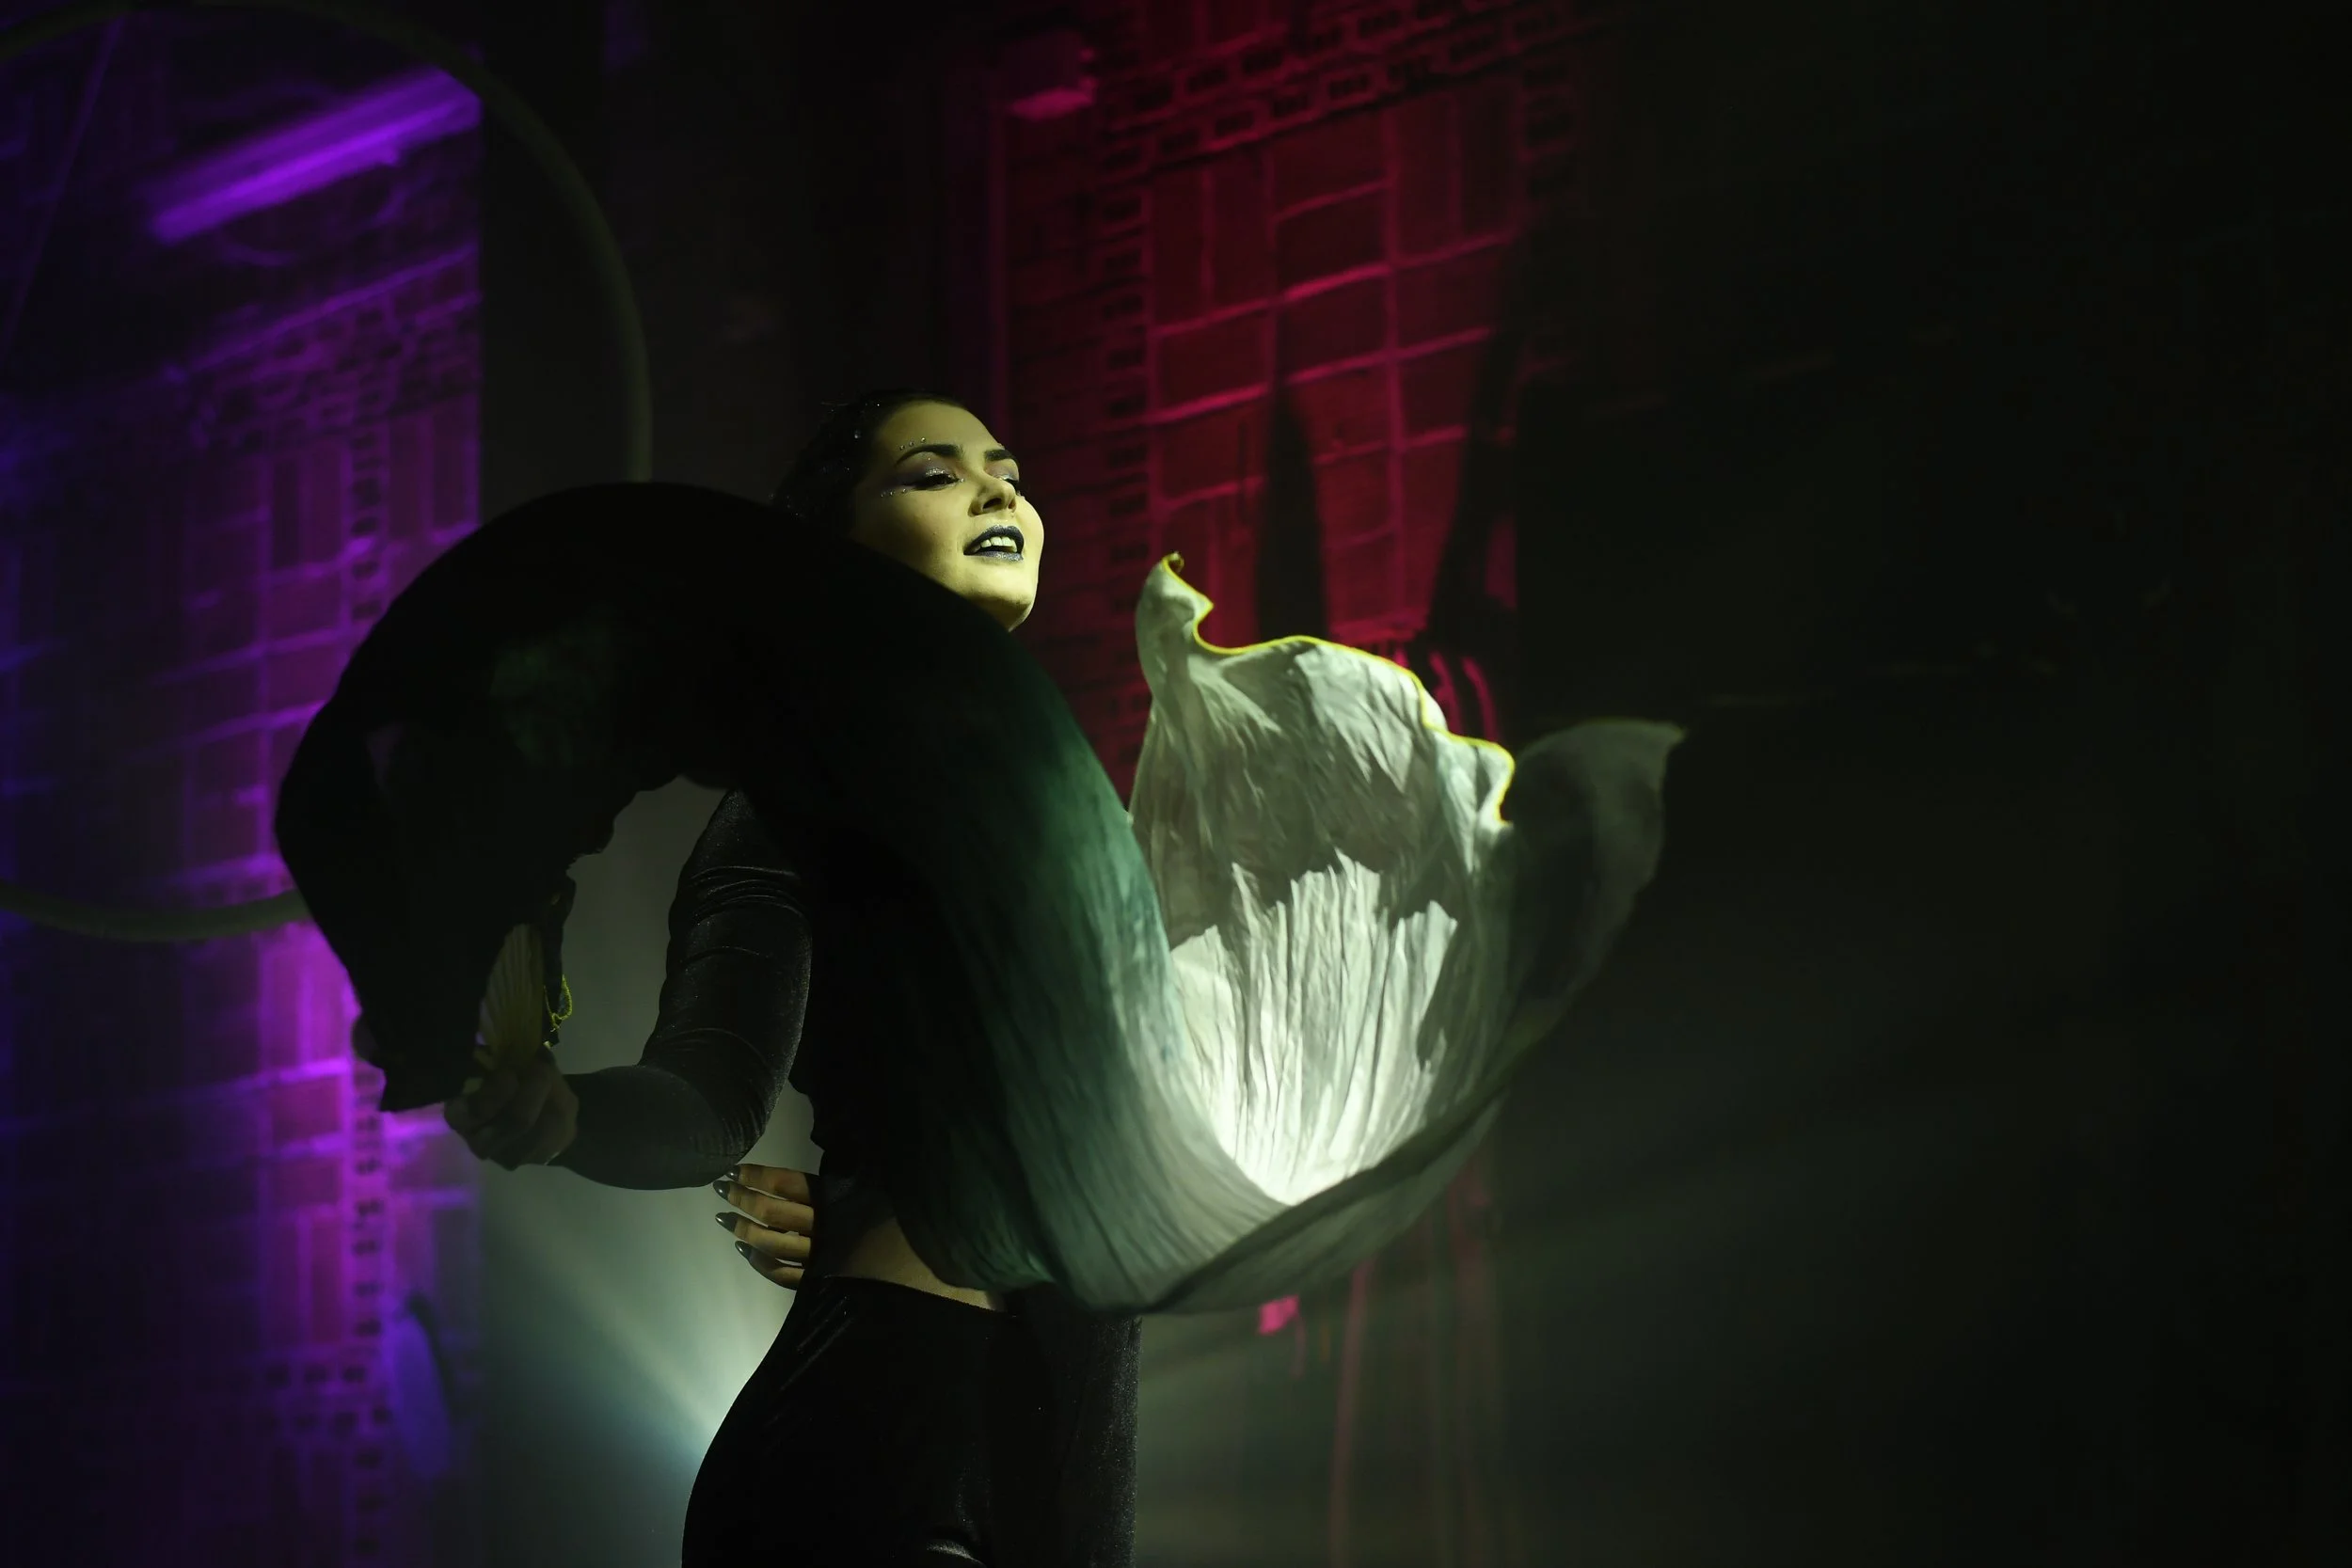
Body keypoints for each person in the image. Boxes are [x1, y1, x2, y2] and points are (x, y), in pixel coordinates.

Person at [413, 389, 1139, 1566]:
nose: (995, 489)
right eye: (932, 473)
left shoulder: (1077, 816)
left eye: (1006, 469)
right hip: (889, 1436)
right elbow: (709, 1088)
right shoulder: (793, 804)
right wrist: (569, 1113)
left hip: (1059, 1465)